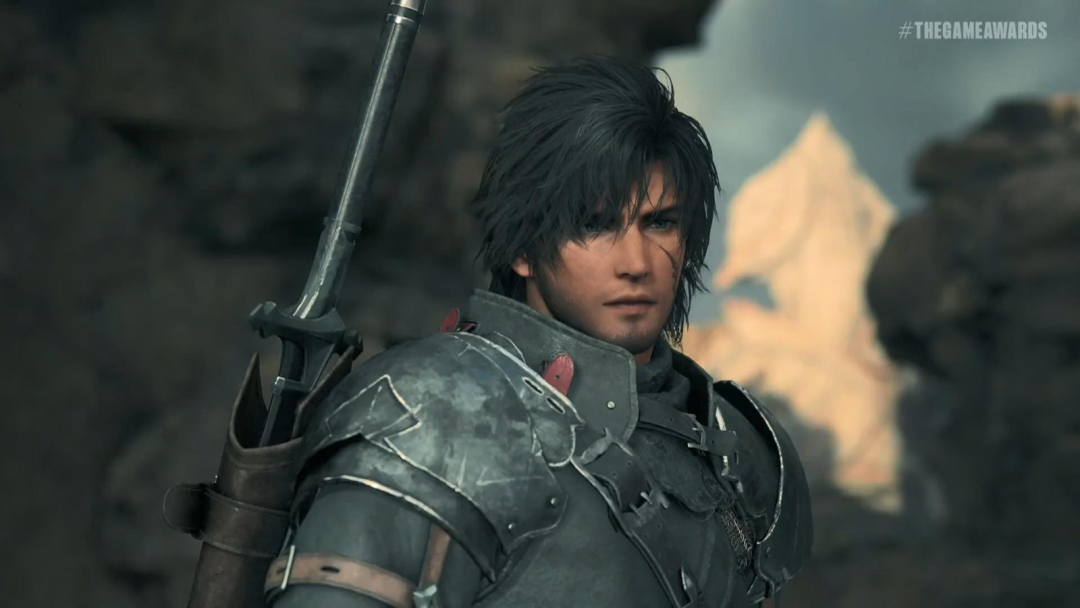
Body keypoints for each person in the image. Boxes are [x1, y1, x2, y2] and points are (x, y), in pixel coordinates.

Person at [265, 56, 812, 608]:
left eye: (661, 223)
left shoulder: (741, 451)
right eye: (595, 224)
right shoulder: (426, 419)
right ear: (524, 248)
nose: (636, 262)